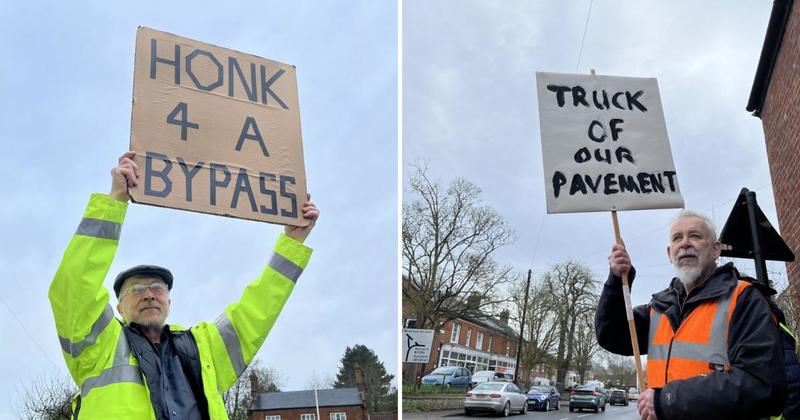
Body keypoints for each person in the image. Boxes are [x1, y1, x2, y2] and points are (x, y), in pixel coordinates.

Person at [49, 151, 319, 419]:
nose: (149, 295)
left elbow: (256, 312)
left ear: (169, 301)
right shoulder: (100, 346)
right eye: (137, 289)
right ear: (119, 307)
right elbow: (73, 287)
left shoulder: (203, 349)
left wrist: (292, 245)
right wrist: (115, 200)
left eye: (158, 288)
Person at [595, 210, 787, 420]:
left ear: (716, 250)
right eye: (677, 238)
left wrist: (667, 400)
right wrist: (617, 280)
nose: (685, 243)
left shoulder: (744, 299)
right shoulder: (660, 308)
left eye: (695, 236)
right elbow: (611, 335)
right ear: (669, 253)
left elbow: (762, 385)